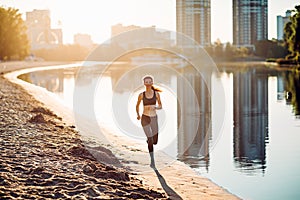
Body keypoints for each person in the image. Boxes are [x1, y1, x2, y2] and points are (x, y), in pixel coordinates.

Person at [136, 75, 162, 168]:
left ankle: (149, 140)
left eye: (149, 82)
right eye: (146, 82)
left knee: (155, 141)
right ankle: (152, 161)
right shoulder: (141, 95)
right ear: (144, 83)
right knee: (150, 139)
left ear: (152, 83)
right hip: (145, 118)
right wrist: (138, 115)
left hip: (154, 118)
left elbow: (160, 106)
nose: (147, 83)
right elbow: (137, 105)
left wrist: (155, 107)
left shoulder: (156, 94)